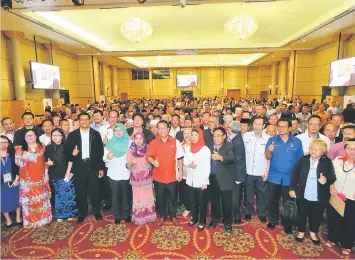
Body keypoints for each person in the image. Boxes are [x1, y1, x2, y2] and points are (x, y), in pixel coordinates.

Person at [289, 139, 336, 244]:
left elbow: (332, 177)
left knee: (316, 215)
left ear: (323, 151)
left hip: (320, 195)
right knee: (302, 213)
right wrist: (292, 188)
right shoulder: (303, 160)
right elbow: (294, 175)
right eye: (311, 148)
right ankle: (301, 231)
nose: (313, 151)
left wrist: (326, 180)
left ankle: (313, 232)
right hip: (303, 192)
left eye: (316, 149)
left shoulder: (327, 162)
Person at [65, 112, 105, 223]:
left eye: (86, 119)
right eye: (81, 119)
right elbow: (67, 151)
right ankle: (82, 212)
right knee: (80, 191)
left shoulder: (95, 134)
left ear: (90, 120)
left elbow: (100, 152)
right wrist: (72, 153)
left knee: (94, 191)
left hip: (93, 166)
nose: (84, 121)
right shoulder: (73, 135)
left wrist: (100, 167)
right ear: (78, 121)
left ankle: (96, 211)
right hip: (79, 166)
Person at [265, 119, 304, 233]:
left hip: (290, 178)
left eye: (284, 126)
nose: (281, 128)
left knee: (288, 202)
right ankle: (272, 220)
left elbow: (299, 161)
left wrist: (297, 178)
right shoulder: (272, 140)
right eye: (279, 126)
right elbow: (267, 157)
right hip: (274, 176)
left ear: (290, 128)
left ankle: (287, 223)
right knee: (272, 200)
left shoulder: (297, 142)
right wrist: (269, 150)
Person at [146, 120, 184, 226]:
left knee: (173, 197)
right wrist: (153, 161)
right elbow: (148, 156)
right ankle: (162, 215)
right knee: (160, 197)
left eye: (164, 128)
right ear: (157, 130)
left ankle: (173, 215)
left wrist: (180, 171)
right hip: (159, 176)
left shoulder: (175, 142)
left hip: (172, 176)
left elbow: (180, 158)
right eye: (160, 128)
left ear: (168, 129)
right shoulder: (153, 143)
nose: (162, 130)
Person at [15, 129, 52, 228]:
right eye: (27, 136)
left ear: (36, 136)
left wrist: (47, 175)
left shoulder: (43, 147)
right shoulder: (20, 150)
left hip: (41, 177)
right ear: (24, 138)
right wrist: (22, 158)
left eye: (32, 135)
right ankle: (30, 221)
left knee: (41, 200)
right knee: (29, 201)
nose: (30, 137)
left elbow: (46, 163)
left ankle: (43, 219)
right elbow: (18, 164)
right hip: (27, 180)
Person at [326, 138, 355, 256]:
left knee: (350, 222)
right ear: (345, 149)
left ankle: (347, 244)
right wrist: (332, 187)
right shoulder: (337, 161)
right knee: (334, 218)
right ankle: (332, 238)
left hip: (352, 198)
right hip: (336, 195)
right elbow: (330, 175)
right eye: (349, 148)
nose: (352, 151)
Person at [44, 128, 77, 222]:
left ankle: (70, 213)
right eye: (53, 135)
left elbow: (71, 160)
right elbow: (45, 162)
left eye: (57, 135)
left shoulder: (67, 146)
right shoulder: (49, 147)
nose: (55, 137)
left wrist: (68, 172)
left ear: (62, 136)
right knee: (58, 195)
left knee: (69, 193)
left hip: (67, 172)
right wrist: (48, 163)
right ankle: (60, 214)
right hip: (54, 173)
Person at [208, 127, 236, 233]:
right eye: (214, 136)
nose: (216, 138)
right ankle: (215, 218)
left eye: (219, 135)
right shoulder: (209, 146)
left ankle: (227, 222)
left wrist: (221, 158)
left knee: (227, 202)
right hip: (213, 178)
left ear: (224, 136)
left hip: (226, 179)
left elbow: (233, 158)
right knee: (214, 200)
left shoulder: (229, 145)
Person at [243, 117, 270, 223]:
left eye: (259, 124)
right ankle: (248, 211)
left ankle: (262, 212)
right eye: (255, 124)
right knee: (248, 193)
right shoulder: (246, 136)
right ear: (252, 124)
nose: (257, 126)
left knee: (261, 193)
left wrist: (267, 169)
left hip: (261, 171)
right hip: (248, 170)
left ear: (263, 126)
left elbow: (269, 156)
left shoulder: (268, 138)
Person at [103, 123, 132, 224]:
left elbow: (134, 155)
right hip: (113, 173)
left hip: (125, 172)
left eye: (121, 130)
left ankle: (126, 214)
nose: (118, 132)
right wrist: (108, 157)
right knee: (114, 195)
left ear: (124, 131)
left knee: (126, 195)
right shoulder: (110, 143)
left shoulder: (129, 142)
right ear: (114, 132)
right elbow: (104, 158)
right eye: (116, 130)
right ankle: (117, 215)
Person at [127, 132, 156, 225]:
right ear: (133, 139)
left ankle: (149, 216)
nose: (139, 141)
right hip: (136, 178)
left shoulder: (148, 147)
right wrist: (132, 162)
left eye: (140, 138)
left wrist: (150, 163)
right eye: (136, 138)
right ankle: (139, 217)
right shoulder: (130, 150)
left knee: (148, 197)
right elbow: (127, 165)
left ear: (143, 139)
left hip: (147, 177)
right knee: (138, 197)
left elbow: (152, 160)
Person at [184, 128, 211, 231]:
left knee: (202, 202)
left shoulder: (205, 149)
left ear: (200, 136)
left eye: (196, 135)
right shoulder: (188, 147)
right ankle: (194, 218)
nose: (194, 137)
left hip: (201, 180)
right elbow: (185, 158)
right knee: (193, 201)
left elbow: (207, 167)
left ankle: (202, 220)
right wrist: (189, 163)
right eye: (192, 135)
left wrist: (205, 181)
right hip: (190, 179)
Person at [227, 120, 247, 223]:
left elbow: (240, 160)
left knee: (235, 197)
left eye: (229, 127)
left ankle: (237, 215)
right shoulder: (230, 138)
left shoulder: (238, 141)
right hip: (228, 173)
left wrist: (239, 177)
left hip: (235, 174)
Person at [1, 135, 21, 227]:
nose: (3, 145)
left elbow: (18, 168)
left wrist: (17, 179)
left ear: (8, 143)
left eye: (5, 142)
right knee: (3, 201)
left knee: (17, 198)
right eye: (1, 143)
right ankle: (8, 219)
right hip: (2, 184)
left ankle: (18, 217)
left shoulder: (13, 155)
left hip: (14, 181)